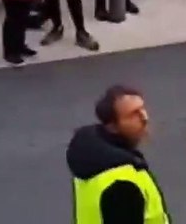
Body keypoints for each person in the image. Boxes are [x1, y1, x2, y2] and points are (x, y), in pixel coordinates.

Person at [67, 84, 169, 223]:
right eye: (134, 114)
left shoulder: (95, 163)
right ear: (113, 126)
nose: (145, 118)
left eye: (142, 109)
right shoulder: (122, 186)